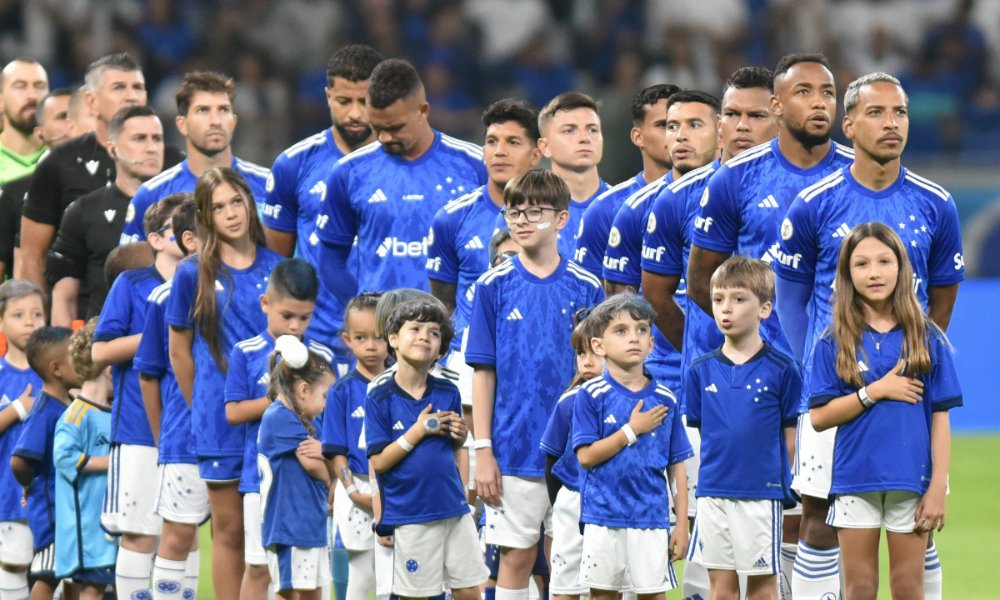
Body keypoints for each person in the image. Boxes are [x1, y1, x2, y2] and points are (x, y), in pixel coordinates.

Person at [774, 72, 964, 600]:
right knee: (818, 520)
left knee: (920, 526)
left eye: (900, 112)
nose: (891, 124)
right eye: (877, 113)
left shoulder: (935, 203)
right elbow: (790, 298)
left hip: (908, 389)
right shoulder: (815, 202)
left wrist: (911, 357)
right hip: (835, 381)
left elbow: (943, 295)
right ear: (849, 123)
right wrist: (812, 367)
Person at [637, 72, 779, 600]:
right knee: (705, 530)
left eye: (756, 115)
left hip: (792, 384)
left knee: (787, 524)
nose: (741, 127)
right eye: (732, 116)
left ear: (778, 116)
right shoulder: (680, 198)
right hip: (709, 389)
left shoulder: (808, 187)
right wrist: (715, 339)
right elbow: (657, 296)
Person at [467, 170, 604, 600]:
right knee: (515, 558)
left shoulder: (587, 286)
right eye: (514, 210)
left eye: (535, 211)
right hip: (513, 449)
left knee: (569, 561)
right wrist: (483, 450)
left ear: (562, 219)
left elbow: (600, 374)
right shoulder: (492, 286)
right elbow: (483, 372)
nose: (522, 220)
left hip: (574, 451)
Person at [807, 223, 961, 600]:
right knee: (859, 588)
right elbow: (819, 417)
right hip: (855, 480)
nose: (873, 272)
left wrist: (938, 486)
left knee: (909, 588)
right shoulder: (833, 341)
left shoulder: (927, 338)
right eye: (861, 264)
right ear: (847, 274)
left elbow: (940, 417)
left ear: (901, 268)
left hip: (911, 480)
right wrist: (873, 392)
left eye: (883, 261)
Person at [687, 53, 854, 360]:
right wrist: (746, 339)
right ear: (777, 106)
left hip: (844, 363)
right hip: (764, 368)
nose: (818, 102)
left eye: (827, 93)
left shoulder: (859, 174)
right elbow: (700, 280)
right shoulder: (735, 177)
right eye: (804, 92)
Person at [167, 167, 283, 600]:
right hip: (219, 421)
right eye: (218, 207)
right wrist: (200, 404)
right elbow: (178, 349)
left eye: (237, 201)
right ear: (204, 215)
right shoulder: (190, 273)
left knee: (272, 528)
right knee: (229, 530)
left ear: (250, 204)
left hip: (273, 416)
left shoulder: (280, 268)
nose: (231, 213)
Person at [316, 58, 487, 303]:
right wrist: (368, 311)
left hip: (454, 333)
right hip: (382, 335)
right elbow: (330, 261)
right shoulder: (349, 172)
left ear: (423, 111)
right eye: (376, 127)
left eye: (395, 128)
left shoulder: (475, 165)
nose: (384, 137)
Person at [683, 257, 800, 600]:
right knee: (721, 587)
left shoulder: (782, 369)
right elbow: (706, 432)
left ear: (764, 309)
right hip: (712, 493)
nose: (726, 309)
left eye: (738, 299)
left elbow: (789, 435)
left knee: (763, 586)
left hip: (760, 496)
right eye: (718, 299)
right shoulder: (699, 371)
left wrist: (773, 477)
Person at [263, 44, 383, 371]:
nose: (355, 114)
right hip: (316, 343)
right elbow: (277, 263)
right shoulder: (294, 165)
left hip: (391, 341)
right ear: (328, 96)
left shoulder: (404, 165)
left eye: (365, 101)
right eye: (344, 102)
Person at [90, 193, 187, 598]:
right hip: (137, 429)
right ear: (158, 238)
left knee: (181, 532)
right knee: (141, 532)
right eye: (182, 229)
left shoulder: (206, 283)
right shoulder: (132, 284)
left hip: (187, 429)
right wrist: (158, 333)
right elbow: (100, 352)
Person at [19, 52, 182, 289]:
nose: (130, 96)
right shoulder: (58, 164)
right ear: (91, 101)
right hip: (85, 317)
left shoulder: (174, 163)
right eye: (118, 88)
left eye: (137, 87)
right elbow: (33, 255)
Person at [225, 258, 333, 600]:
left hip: (308, 483)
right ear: (265, 304)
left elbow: (331, 418)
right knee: (259, 566)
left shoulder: (322, 357)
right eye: (287, 316)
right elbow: (233, 411)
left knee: (310, 569)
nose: (295, 325)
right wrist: (282, 398)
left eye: (304, 317)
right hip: (262, 481)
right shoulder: (246, 352)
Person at [366, 299, 488, 600]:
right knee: (417, 595)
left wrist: (459, 439)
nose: (424, 336)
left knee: (471, 589)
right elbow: (379, 462)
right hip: (411, 513)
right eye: (415, 329)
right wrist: (419, 430)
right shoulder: (379, 397)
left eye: (434, 333)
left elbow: (455, 449)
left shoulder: (448, 391)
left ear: (442, 349)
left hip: (453, 508)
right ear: (393, 339)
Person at [572, 293, 691, 600]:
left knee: (653, 595)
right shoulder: (590, 395)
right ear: (599, 346)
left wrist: (681, 523)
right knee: (603, 596)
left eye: (641, 330)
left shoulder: (666, 398)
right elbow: (585, 457)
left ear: (652, 343)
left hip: (651, 519)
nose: (634, 338)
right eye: (621, 331)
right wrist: (631, 430)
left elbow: (676, 464)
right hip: (602, 517)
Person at [427, 98, 541, 406]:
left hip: (538, 360)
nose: (499, 151)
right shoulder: (452, 218)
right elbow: (442, 305)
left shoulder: (559, 219)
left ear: (536, 153)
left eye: (513, 142)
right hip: (466, 366)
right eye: (492, 141)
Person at [135, 198, 203, 600]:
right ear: (190, 239)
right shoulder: (163, 297)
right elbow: (149, 372)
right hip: (182, 433)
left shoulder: (250, 284)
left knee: (241, 534)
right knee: (178, 533)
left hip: (237, 431)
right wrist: (162, 436)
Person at [45, 105, 165, 324]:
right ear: (112, 149)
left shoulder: (183, 209)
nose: (151, 148)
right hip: (104, 345)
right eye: (139, 139)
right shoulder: (83, 211)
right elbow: (64, 297)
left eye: (157, 139)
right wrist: (68, 354)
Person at [120, 70, 270, 244]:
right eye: (203, 111)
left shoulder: (268, 185)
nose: (216, 121)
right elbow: (132, 267)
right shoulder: (151, 195)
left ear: (234, 121)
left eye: (223, 110)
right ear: (182, 125)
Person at [258, 336, 336, 599]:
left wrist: (325, 451)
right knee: (288, 591)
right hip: (289, 526)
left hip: (308, 524)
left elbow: (322, 456)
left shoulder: (300, 419)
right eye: (325, 396)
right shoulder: (280, 417)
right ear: (303, 389)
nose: (328, 405)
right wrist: (332, 477)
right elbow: (314, 465)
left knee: (313, 589)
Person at [322, 292, 388, 600]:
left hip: (396, 489)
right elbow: (336, 450)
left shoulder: (403, 385)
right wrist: (350, 489)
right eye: (361, 338)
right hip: (357, 490)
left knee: (395, 577)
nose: (371, 346)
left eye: (378, 337)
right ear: (347, 339)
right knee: (361, 578)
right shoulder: (341, 390)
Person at [574, 84, 676, 278]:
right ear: (638, 137)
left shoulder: (715, 197)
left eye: (680, 125)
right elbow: (588, 295)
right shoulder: (606, 209)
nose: (676, 134)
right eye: (664, 125)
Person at [10, 326, 81, 600]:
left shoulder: (71, 403)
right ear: (57, 369)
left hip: (70, 510)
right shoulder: (44, 412)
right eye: (76, 356)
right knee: (48, 574)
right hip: (53, 514)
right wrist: (29, 484)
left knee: (73, 573)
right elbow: (19, 460)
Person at [496, 92, 607, 261]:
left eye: (592, 129)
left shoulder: (626, 206)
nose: (585, 138)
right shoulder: (519, 212)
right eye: (569, 130)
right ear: (544, 147)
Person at [539, 312, 602, 600]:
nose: (587, 361)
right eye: (580, 352)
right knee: (566, 588)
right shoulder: (569, 402)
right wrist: (562, 503)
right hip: (574, 504)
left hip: (617, 508)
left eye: (594, 351)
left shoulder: (639, 399)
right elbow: (551, 459)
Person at [52, 319, 115, 600]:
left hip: (109, 525)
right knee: (93, 588)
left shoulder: (113, 412)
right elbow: (64, 458)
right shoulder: (77, 415)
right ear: (108, 366)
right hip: (88, 532)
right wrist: (114, 463)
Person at [0, 280, 45, 600]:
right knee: (14, 564)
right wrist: (18, 408)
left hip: (50, 494)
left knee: (52, 569)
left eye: (37, 313)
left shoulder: (56, 370)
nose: (29, 321)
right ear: (1, 321)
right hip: (8, 492)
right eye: (18, 315)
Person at [0, 58, 48, 184]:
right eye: (20, 87)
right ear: (1, 100)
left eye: (40, 86)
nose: (32, 95)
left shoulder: (64, 156)